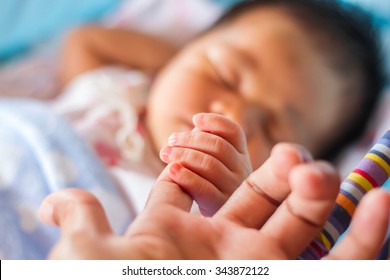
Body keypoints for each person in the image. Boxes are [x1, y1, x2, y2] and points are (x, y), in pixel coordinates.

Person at [38, 141, 390, 259]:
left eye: (267, 130)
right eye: (224, 74)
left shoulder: (227, 236)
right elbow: (84, 42)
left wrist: (221, 205)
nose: (235, 111)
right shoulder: (116, 96)